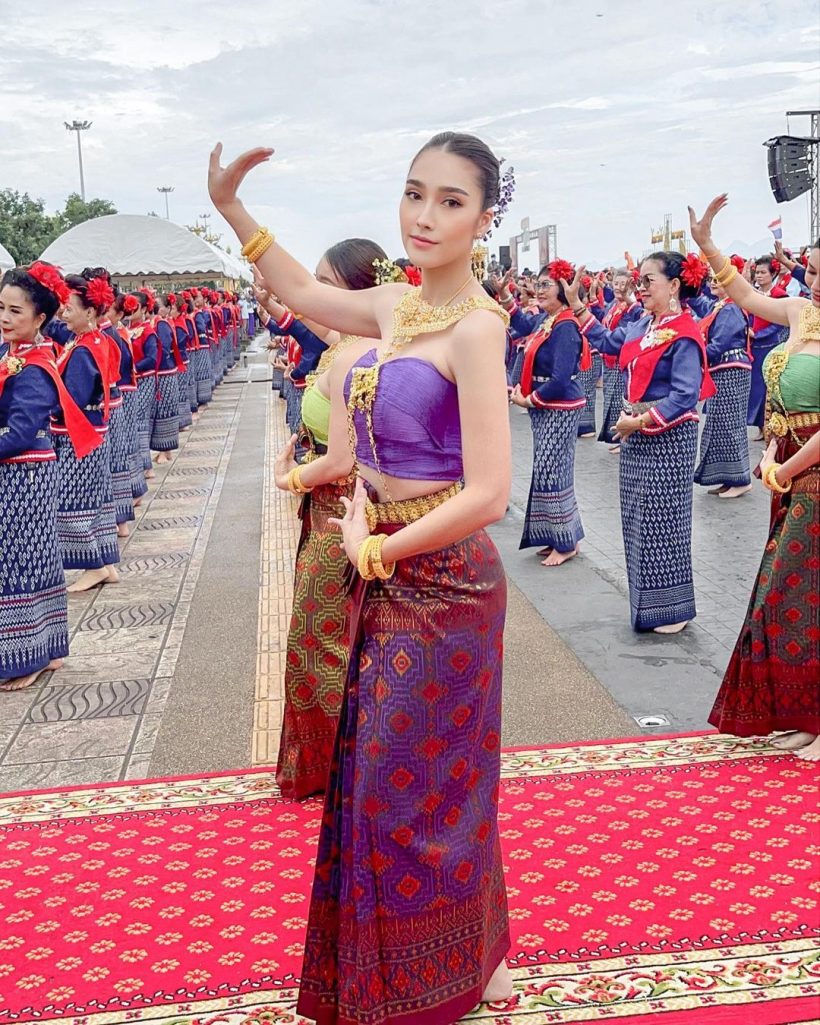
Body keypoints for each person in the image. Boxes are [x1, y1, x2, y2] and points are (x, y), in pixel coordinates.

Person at [209, 129, 514, 1021]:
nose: (425, 215)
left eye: (450, 201)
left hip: (446, 579)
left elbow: (492, 491)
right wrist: (232, 206)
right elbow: (301, 291)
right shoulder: (393, 307)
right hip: (380, 567)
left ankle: (451, 967)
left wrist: (378, 548)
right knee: (389, 775)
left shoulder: (477, 328)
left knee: (422, 779)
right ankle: (471, 950)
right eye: (414, 193)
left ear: (483, 219)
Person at [690, 197, 820, 761]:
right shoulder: (800, 314)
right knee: (788, 597)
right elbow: (742, 295)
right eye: (813, 270)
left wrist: (786, 467)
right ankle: (800, 715)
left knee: (793, 592)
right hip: (787, 470)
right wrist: (707, 243)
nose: (817, 280)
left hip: (808, 471)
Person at [269, 238, 390, 801]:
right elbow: (299, 311)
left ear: (356, 292)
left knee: (321, 642)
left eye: (324, 284)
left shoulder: (353, 355)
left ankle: (330, 766)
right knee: (336, 637)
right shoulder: (354, 340)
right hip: (335, 507)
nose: (311, 293)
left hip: (340, 509)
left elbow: (341, 460)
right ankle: (343, 761)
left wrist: (288, 477)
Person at [571, 252, 714, 633]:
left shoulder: (684, 331)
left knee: (665, 520)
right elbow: (607, 341)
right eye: (640, 279)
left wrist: (640, 421)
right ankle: (648, 603)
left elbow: (685, 394)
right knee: (637, 518)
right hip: (635, 431)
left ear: (674, 286)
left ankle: (673, 609)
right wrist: (577, 305)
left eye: (649, 280)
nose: (641, 287)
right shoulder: (641, 324)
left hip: (668, 437)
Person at [0, 264, 101, 692]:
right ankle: (48, 648)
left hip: (23, 475)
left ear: (40, 319)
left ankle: (29, 655)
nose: (4, 318)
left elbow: (21, 432)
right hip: (21, 472)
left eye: (15, 311)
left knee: (19, 561)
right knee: (33, 556)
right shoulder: (17, 356)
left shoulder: (35, 366)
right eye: (1, 308)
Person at [509, 259, 587, 566]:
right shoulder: (549, 320)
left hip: (557, 405)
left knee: (551, 469)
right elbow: (521, 330)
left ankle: (566, 542)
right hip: (545, 406)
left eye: (545, 285)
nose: (538, 290)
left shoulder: (566, 325)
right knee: (548, 468)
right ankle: (559, 535)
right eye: (537, 284)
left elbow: (560, 377)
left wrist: (531, 399)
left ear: (563, 290)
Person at [55, 270, 121, 592]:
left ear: (90, 312)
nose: (64, 312)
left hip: (78, 436)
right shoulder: (94, 340)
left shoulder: (83, 350)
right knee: (95, 500)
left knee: (72, 502)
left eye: (69, 307)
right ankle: (106, 563)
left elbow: (72, 400)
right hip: (94, 432)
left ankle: (93, 565)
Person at [693, 272, 753, 498]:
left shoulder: (730, 309)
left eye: (721, 279)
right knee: (721, 423)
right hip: (723, 370)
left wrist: (693, 357)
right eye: (713, 279)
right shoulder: (720, 306)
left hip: (731, 370)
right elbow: (699, 303)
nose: (715, 282)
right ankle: (729, 478)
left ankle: (741, 479)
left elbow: (719, 344)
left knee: (730, 424)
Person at [595, 268, 642, 451]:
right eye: (616, 283)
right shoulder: (612, 306)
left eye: (623, 284)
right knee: (610, 398)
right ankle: (614, 437)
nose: (619, 288)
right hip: (609, 359)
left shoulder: (634, 307)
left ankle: (622, 437)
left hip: (621, 359)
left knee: (618, 400)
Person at [747, 254, 788, 434]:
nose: (759, 276)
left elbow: (779, 323)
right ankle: (760, 427)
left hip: (770, 347)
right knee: (755, 390)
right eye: (757, 272)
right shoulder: (752, 295)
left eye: (763, 272)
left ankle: (771, 426)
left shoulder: (778, 295)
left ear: (773, 274)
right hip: (753, 347)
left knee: (768, 389)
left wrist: (758, 334)